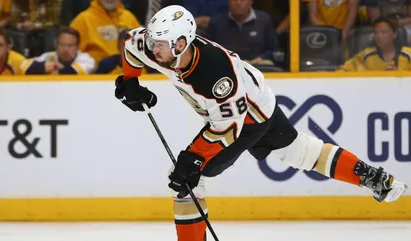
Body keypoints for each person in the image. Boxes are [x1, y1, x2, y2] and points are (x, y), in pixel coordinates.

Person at [113, 5, 408, 241]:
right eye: (152, 40)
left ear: (180, 43)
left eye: (160, 44)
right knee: (298, 151)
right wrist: (131, 81)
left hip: (250, 115)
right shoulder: (155, 46)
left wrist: (192, 159)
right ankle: (372, 177)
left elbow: (228, 128)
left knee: (188, 179)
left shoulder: (215, 73)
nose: (153, 48)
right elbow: (130, 44)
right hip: (253, 96)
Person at [338, 16, 411, 71]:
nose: (379, 36)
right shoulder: (366, 55)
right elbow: (343, 71)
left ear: (394, 34)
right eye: (376, 32)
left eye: (383, 32)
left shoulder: (408, 54)